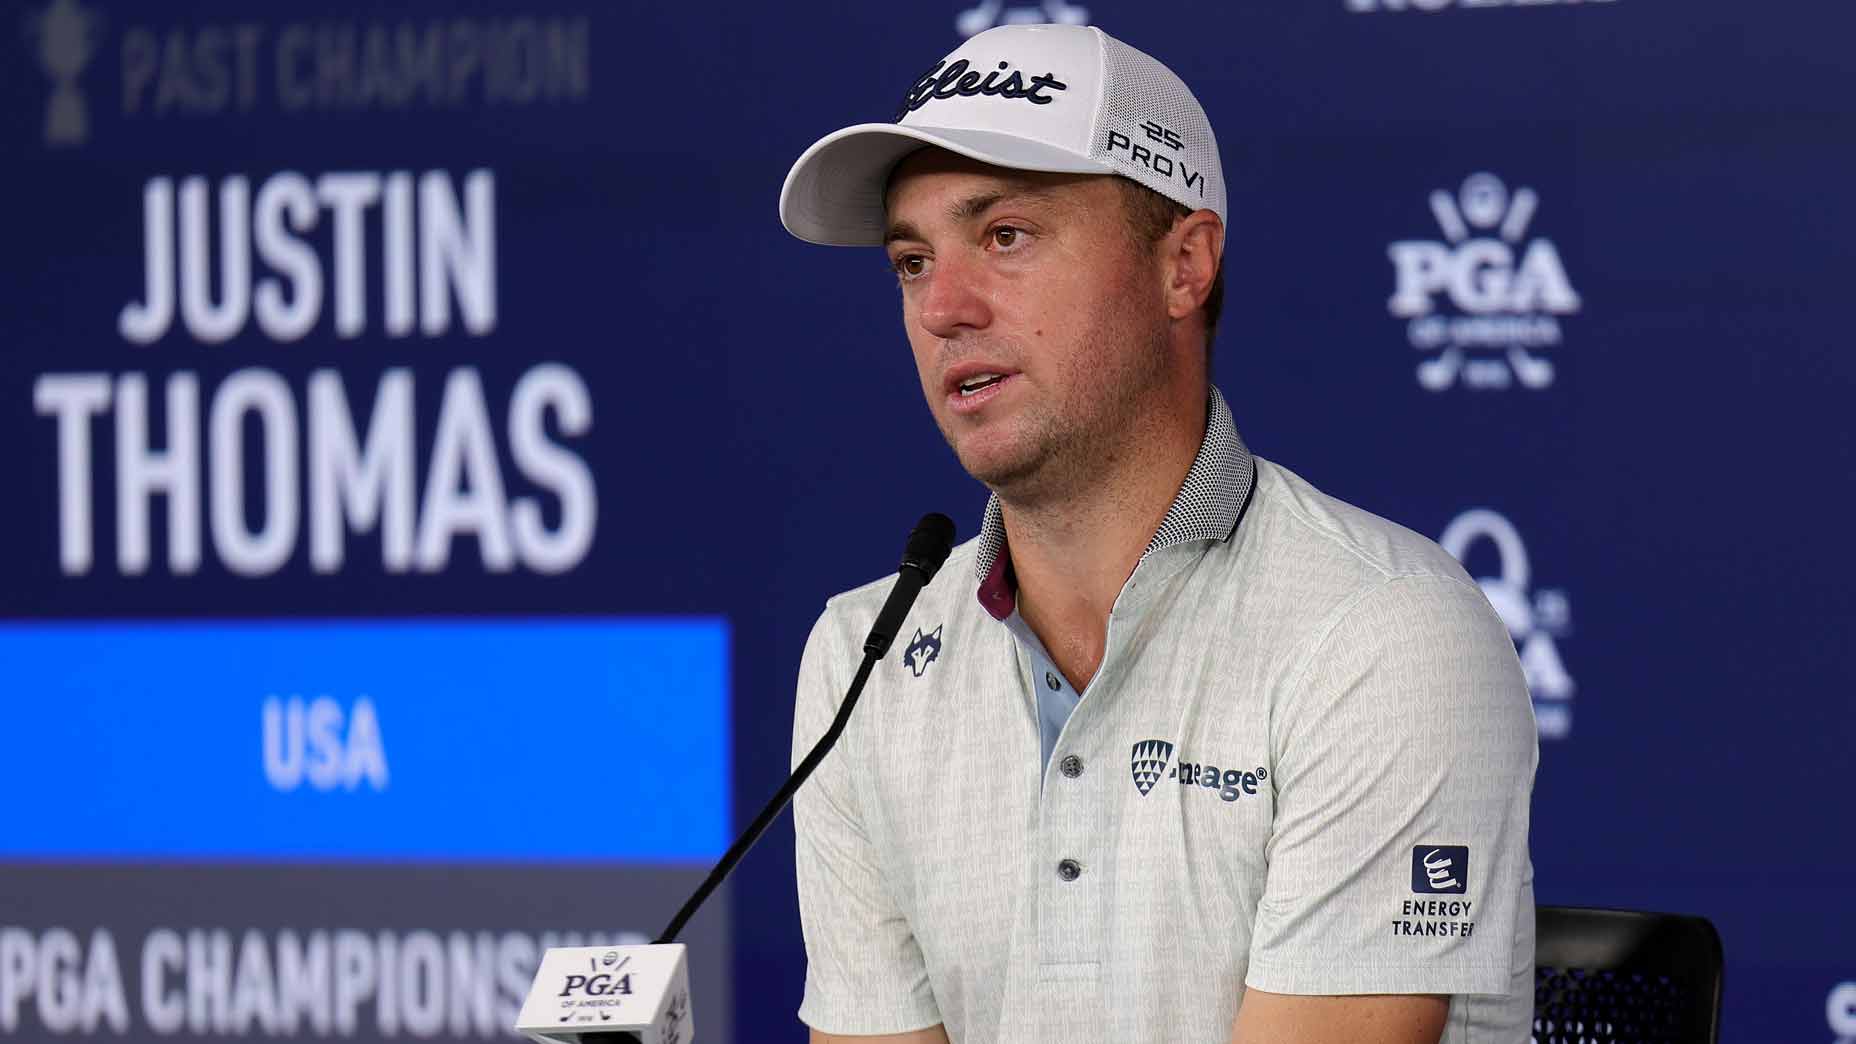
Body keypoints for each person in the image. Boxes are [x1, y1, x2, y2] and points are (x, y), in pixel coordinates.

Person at [778, 23, 1537, 1044]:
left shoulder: (1381, 630)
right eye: (911, 262)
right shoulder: (860, 660)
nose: (942, 308)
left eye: (1004, 236)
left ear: (1182, 266)